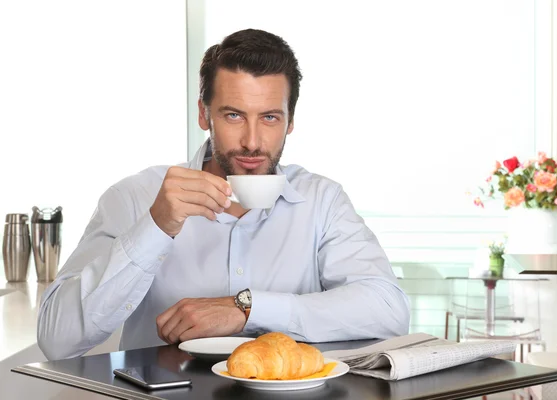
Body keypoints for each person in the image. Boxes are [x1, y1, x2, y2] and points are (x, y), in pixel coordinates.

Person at [37, 29, 411, 360]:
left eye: (269, 117)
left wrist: (247, 309)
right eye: (233, 116)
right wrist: (155, 227)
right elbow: (57, 340)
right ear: (204, 114)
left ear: (290, 121)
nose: (252, 141)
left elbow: (388, 309)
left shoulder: (322, 201)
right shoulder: (135, 197)